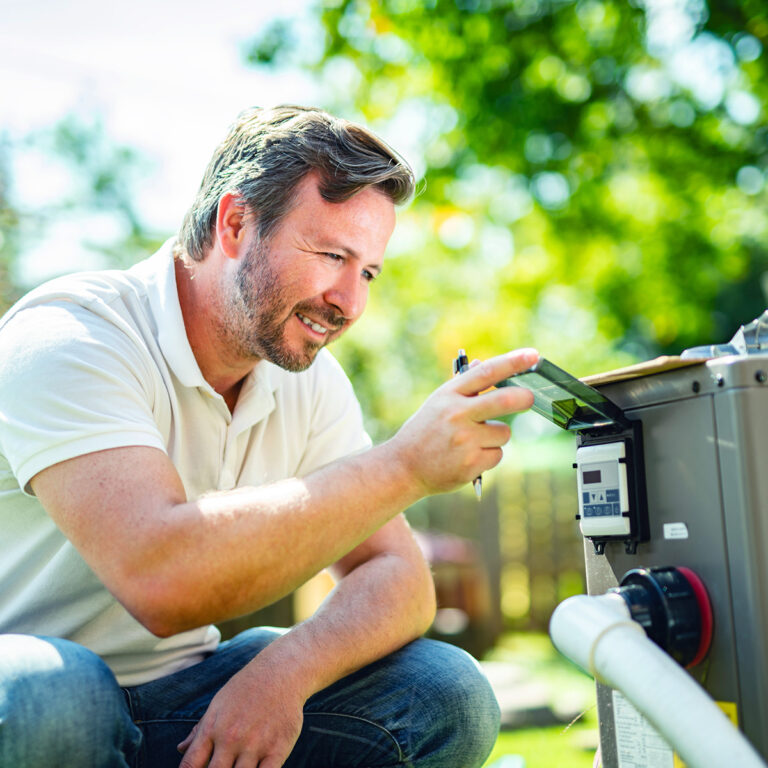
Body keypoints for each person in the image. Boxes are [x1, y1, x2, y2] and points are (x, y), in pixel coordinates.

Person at [0, 105, 537, 768]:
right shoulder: (71, 335)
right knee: (54, 694)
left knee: (445, 691)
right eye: (331, 255)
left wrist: (286, 671)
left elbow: (400, 578)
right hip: (26, 697)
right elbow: (160, 580)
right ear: (234, 224)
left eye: (367, 271)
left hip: (180, 698)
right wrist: (404, 466)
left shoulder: (307, 379)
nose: (349, 302)